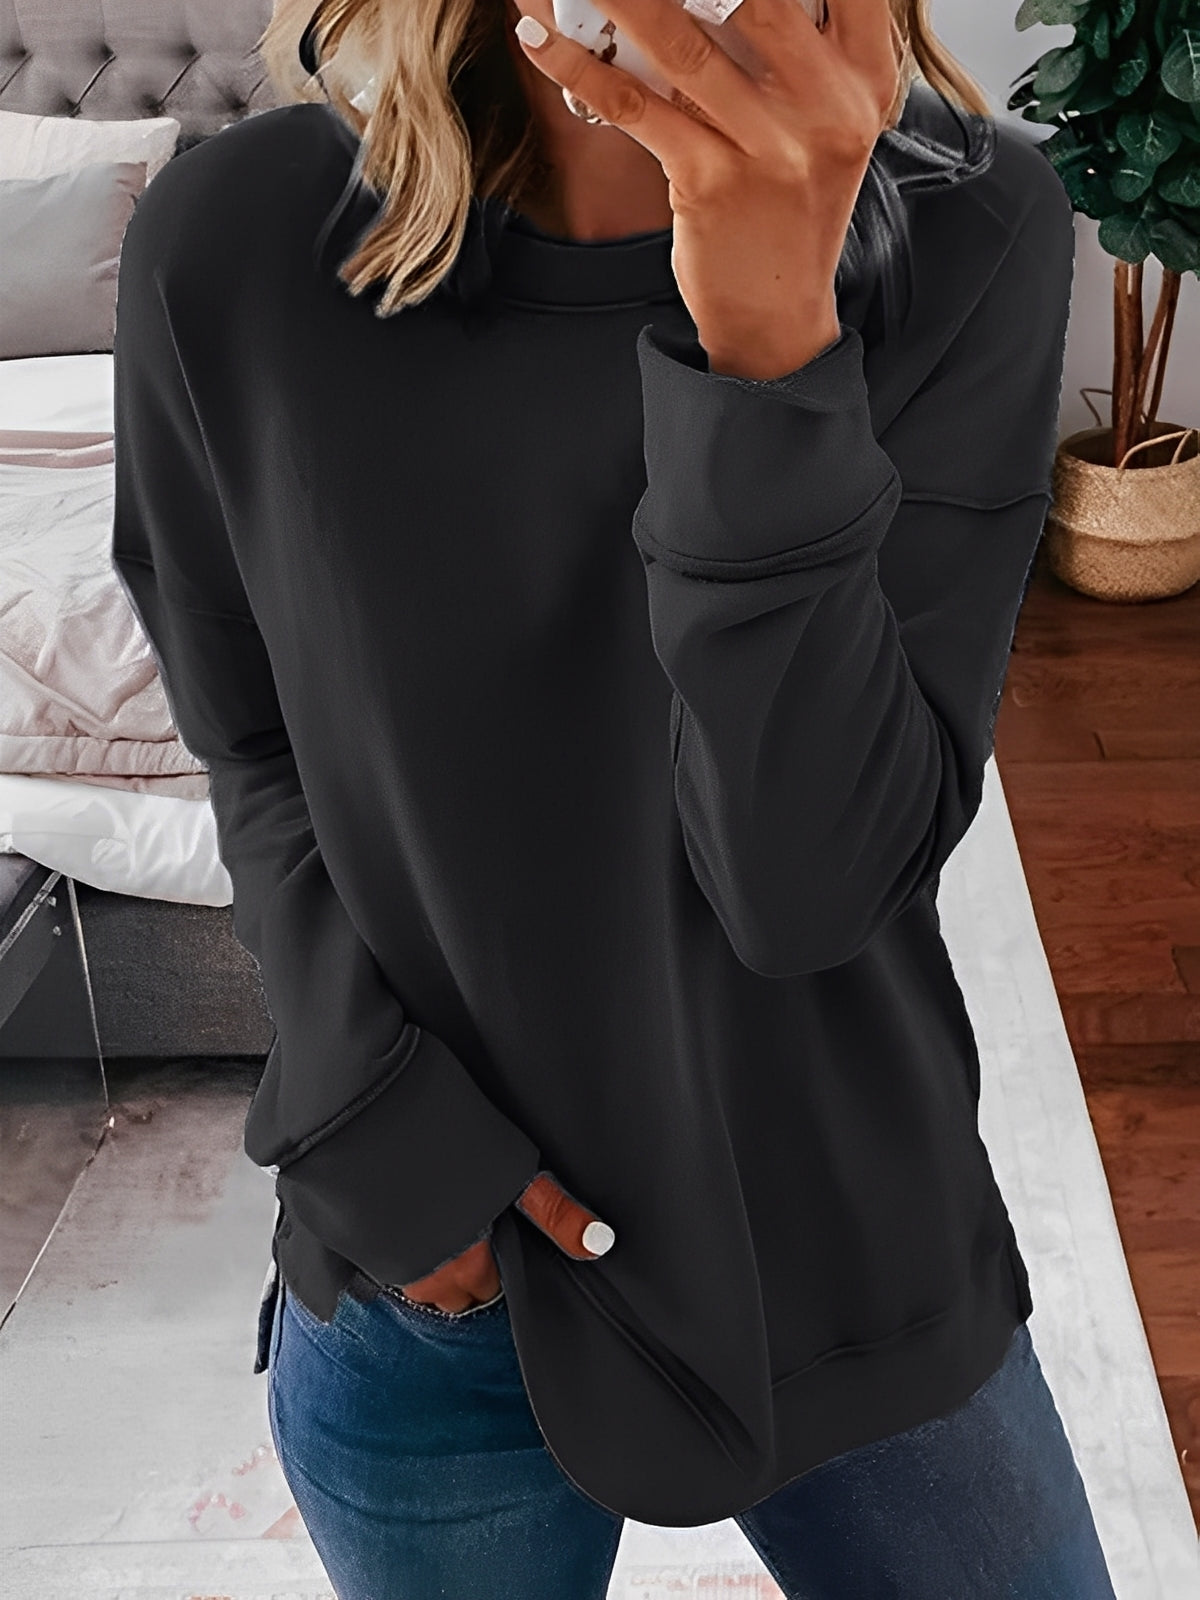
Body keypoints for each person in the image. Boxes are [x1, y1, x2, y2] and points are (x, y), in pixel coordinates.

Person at [110, 0, 1119, 1593]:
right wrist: (379, 1129)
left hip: (850, 1249)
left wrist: (769, 355)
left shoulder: (971, 229)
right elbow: (250, 746)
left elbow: (809, 888)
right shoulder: (235, 242)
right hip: (440, 1273)